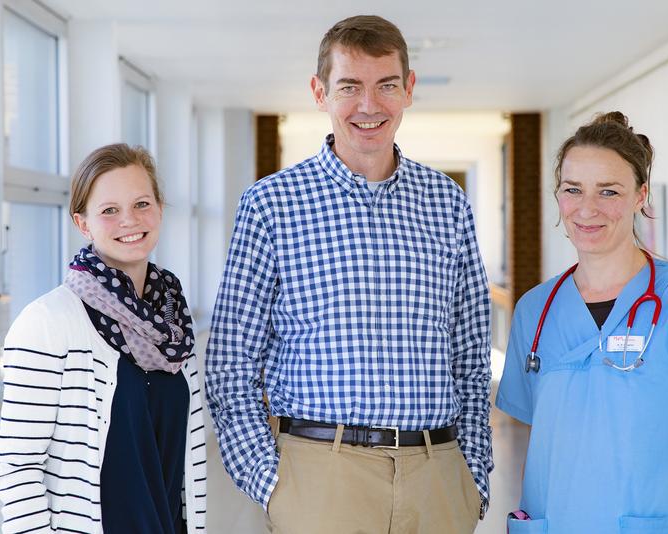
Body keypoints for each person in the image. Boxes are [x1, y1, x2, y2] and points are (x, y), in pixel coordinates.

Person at [206, 15, 492, 534]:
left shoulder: (448, 204)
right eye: (349, 87)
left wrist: (472, 475)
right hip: (318, 478)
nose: (368, 105)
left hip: (438, 476)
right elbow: (230, 365)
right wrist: (273, 485)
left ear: (408, 89)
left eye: (385, 85)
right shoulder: (271, 205)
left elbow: (471, 357)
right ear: (320, 92)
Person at [496, 111, 668, 534]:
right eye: (573, 189)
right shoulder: (534, 311)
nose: (587, 209)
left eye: (609, 192)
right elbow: (543, 440)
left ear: (640, 195)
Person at [0, 144, 207, 534]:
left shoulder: (174, 324)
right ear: (83, 223)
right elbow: (17, 468)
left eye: (142, 203)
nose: (129, 220)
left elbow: (183, 464)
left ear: (160, 208)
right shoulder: (47, 322)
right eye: (109, 210)